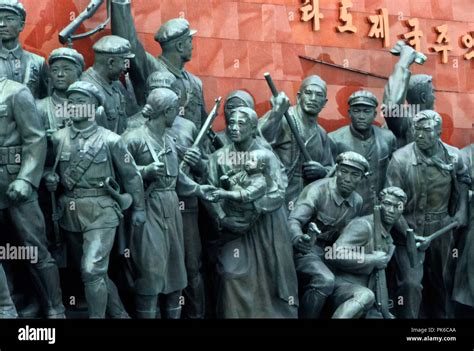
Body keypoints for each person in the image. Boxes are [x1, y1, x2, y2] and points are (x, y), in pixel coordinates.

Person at [44, 81, 146, 318]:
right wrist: (50, 178)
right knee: (95, 273)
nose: (74, 105)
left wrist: (139, 208)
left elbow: (131, 176)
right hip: (70, 213)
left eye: (81, 101)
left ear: (94, 107)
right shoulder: (58, 138)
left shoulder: (111, 140)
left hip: (102, 211)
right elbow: (47, 169)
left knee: (91, 271)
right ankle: (120, 316)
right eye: (71, 101)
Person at [122, 88, 216, 319]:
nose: (178, 113)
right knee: (150, 271)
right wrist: (145, 171)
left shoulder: (169, 140)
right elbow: (118, 174)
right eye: (175, 109)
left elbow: (178, 179)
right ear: (166, 112)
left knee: (175, 272)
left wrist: (199, 190)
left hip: (172, 208)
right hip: (146, 208)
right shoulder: (132, 139)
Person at [207, 107, 298, 318]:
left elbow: (279, 190)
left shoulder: (266, 155)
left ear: (253, 128)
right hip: (234, 228)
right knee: (230, 274)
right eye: (232, 124)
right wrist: (223, 218)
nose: (235, 128)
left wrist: (255, 208)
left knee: (273, 276)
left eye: (241, 124)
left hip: (268, 225)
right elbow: (209, 193)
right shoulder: (218, 158)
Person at [385, 110, 470, 318]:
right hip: (409, 231)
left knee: (442, 282)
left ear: (439, 132)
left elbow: (463, 181)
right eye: (417, 129)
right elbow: (391, 203)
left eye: (427, 130)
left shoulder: (454, 156)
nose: (420, 135)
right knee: (410, 285)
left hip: (442, 230)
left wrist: (461, 211)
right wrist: (408, 234)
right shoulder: (400, 160)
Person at [0, 59, 65, 318]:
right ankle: (7, 308)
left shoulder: (15, 92)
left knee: (35, 248)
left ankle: (55, 307)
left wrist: (26, 179)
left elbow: (35, 138)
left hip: (14, 180)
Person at [288, 151, 368, 318]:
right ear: (336, 170)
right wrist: (298, 238)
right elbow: (293, 220)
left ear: (362, 179)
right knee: (325, 280)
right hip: (305, 252)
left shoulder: (357, 201)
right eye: (344, 172)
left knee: (361, 290)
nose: (347, 178)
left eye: (354, 175)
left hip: (332, 256)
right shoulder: (317, 190)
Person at [111, 0, 208, 132]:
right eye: (189, 41)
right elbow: (129, 43)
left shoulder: (195, 83)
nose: (192, 46)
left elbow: (204, 126)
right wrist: (120, 3)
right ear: (180, 46)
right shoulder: (152, 68)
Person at [328, 187, 406, 318]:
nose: (391, 210)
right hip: (343, 289)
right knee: (365, 295)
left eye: (397, 206)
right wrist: (372, 259)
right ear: (378, 204)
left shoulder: (389, 239)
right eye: (387, 204)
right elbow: (335, 253)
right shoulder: (363, 225)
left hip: (368, 299)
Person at [259, 75, 334, 210]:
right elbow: (257, 140)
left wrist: (322, 172)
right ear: (299, 97)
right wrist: (276, 113)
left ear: (325, 102)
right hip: (279, 195)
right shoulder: (283, 119)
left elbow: (331, 169)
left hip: (306, 199)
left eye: (319, 95)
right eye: (308, 93)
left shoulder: (322, 134)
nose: (313, 99)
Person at [329, 90, 397, 215]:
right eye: (356, 111)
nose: (361, 116)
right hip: (346, 210)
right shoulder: (335, 139)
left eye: (367, 111)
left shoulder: (387, 138)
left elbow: (394, 173)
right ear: (349, 113)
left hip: (378, 209)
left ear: (375, 114)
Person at [382, 41, 436, 148]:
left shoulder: (432, 120)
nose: (435, 97)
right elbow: (390, 107)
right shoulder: (404, 122)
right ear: (423, 97)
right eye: (432, 92)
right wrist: (404, 60)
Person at [81, 35, 138, 134]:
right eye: (124, 62)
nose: (125, 68)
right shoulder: (86, 90)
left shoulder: (116, 84)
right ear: (111, 62)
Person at [0, 0, 48, 98]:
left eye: (9, 19)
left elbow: (46, 100)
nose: (2, 24)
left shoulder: (38, 62)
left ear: (21, 25)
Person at [213, 149, 269, 226]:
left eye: (252, 160)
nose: (248, 163)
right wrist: (226, 181)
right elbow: (232, 181)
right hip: (231, 206)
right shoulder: (243, 174)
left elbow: (245, 194)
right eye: (247, 159)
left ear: (261, 166)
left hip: (243, 215)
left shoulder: (260, 183)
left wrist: (225, 193)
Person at [37, 47, 85, 137]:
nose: (60, 74)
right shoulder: (39, 108)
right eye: (55, 70)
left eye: (66, 69)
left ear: (78, 73)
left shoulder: (89, 107)